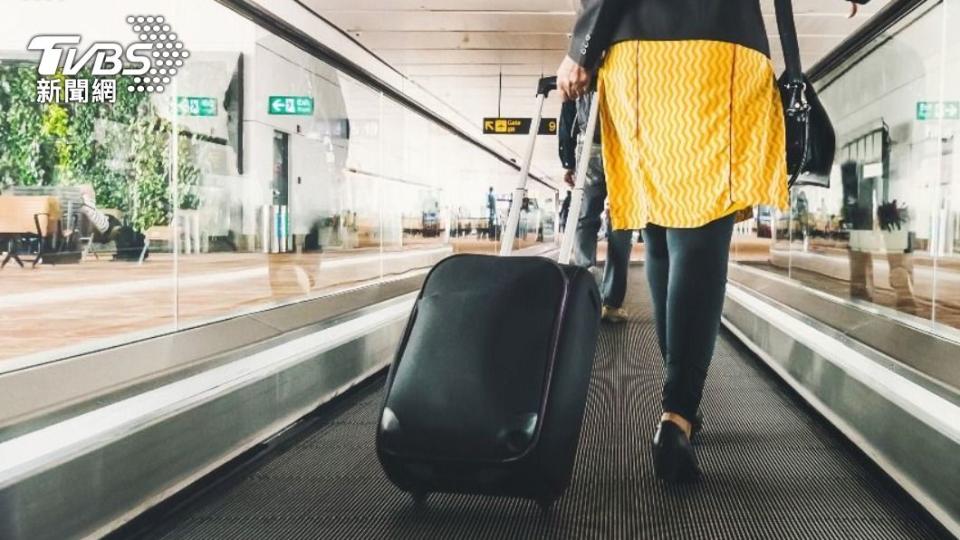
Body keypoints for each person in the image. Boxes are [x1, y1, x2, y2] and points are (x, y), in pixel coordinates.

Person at [558, 0, 866, 483]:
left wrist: (582, 48)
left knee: (658, 226)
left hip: (639, 59)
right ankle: (677, 412)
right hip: (723, 51)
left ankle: (677, 394)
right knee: (699, 233)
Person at [558, 93, 633, 323]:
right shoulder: (628, 60)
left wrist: (568, 160)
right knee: (621, 221)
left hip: (589, 142)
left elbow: (567, 111)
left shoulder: (583, 63)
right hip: (624, 144)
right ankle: (611, 303)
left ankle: (586, 293)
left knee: (585, 218)